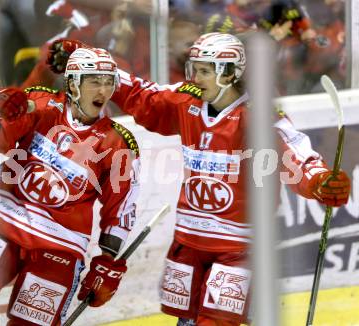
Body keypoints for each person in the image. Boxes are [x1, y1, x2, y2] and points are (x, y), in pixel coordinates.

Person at [48, 33, 351, 325]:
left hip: (238, 247)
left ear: (230, 74)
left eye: (205, 71)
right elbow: (142, 95)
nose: (196, 78)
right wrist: (89, 60)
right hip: (190, 242)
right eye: (194, 69)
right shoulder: (187, 102)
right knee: (188, 322)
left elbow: (295, 153)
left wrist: (319, 180)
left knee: (216, 322)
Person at [0, 47, 140, 325]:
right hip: (4, 219)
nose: (103, 90)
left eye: (109, 81)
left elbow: (120, 206)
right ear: (73, 82)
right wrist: (5, 108)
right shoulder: (42, 103)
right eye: (94, 81)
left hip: (60, 243)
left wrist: (107, 261)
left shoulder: (117, 142)